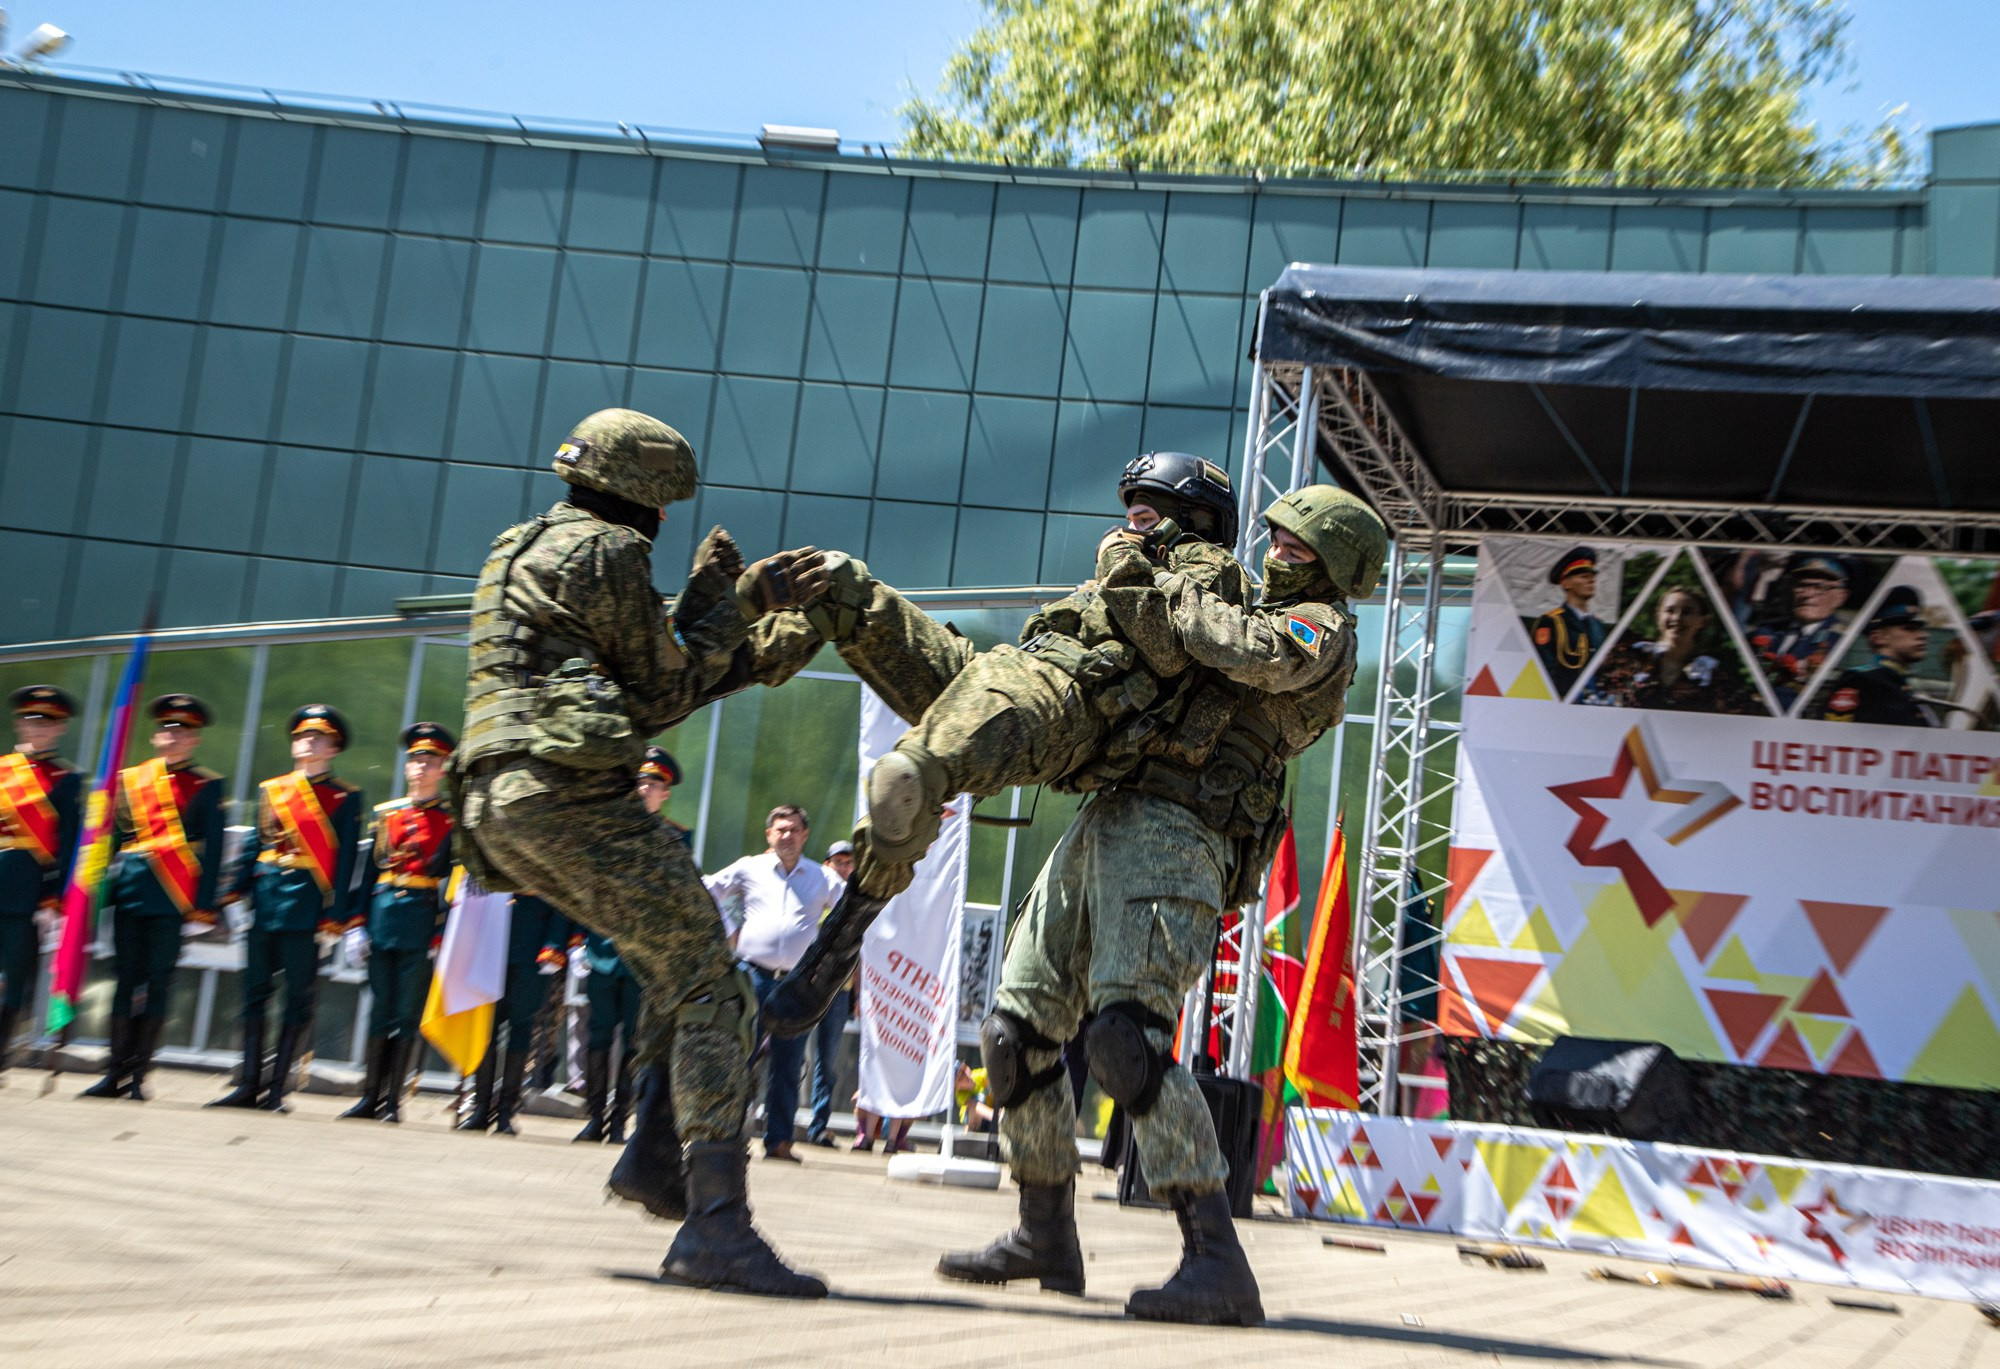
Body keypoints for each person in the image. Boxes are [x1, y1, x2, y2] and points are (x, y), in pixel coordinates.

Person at [923, 484, 1381, 1326]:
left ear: (1335, 565)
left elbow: (1241, 650)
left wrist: (1161, 582)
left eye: (1299, 545)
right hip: (1110, 815)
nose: (1277, 549)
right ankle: (1044, 1232)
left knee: (1122, 1041)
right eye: (1275, 536)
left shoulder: (1322, 630)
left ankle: (1216, 1262)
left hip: (1181, 833)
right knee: (1013, 1035)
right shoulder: (1222, 584)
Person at [453, 407, 834, 1297]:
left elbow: (626, 665)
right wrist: (742, 608)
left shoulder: (524, 543)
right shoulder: (611, 552)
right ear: (651, 502)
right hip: (569, 798)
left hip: (497, 805)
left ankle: (656, 1161)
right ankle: (714, 1225)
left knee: (679, 958)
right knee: (715, 988)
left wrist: (723, 626)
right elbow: (659, 690)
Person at [757, 451, 1249, 1036]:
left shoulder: (1209, 574)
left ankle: (844, 934)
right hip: (1003, 672)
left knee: (903, 780)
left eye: (1143, 517)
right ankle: (709, 664)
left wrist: (1123, 558)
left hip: (1060, 704)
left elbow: (1167, 649)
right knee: (834, 582)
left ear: (1189, 520)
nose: (1124, 530)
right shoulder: (1134, 561)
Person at [210, 705, 363, 1112]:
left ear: (333, 748)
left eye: (318, 738)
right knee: (252, 997)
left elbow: (345, 861)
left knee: (297, 1000)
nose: (308, 742)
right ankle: (247, 1084)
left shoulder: (345, 797)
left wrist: (335, 918)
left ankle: (277, 1089)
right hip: (264, 904)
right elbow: (253, 846)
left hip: (306, 911)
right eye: (302, 736)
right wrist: (232, 896)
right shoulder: (272, 789)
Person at [81, 694, 226, 1100]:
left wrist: (205, 905)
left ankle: (139, 1077)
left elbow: (211, 852)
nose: (174, 736)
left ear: (195, 739)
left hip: (173, 896)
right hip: (130, 892)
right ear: (155, 735)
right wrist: (90, 894)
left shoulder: (208, 785)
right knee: (124, 981)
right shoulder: (130, 779)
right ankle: (113, 1072)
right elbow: (109, 841)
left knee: (159, 983)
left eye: (183, 731)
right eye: (167, 728)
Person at [703, 805, 843, 1162]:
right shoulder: (750, 867)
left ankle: (779, 1141)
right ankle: (728, 1134)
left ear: (805, 835)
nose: (787, 836)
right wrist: (729, 929)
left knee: (788, 1061)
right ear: (769, 835)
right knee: (741, 1057)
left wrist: (827, 953)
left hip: (797, 984)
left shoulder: (821, 877)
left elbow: (853, 908)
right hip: (753, 976)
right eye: (780, 829)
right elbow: (707, 889)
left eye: (794, 829)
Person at [340, 722, 455, 1124]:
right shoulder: (386, 815)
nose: (421, 767)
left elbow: (449, 885)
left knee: (406, 1014)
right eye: (416, 760)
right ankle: (368, 1096)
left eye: (430, 761)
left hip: (421, 921)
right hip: (382, 917)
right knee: (378, 1011)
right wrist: (356, 923)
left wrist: (441, 933)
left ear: (443, 769)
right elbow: (366, 875)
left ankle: (393, 1101)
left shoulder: (450, 821)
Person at [574, 746, 682, 1145]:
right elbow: (584, 890)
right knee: (598, 1036)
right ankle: (593, 1117)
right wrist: (577, 941)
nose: (644, 789)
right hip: (603, 953)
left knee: (636, 1044)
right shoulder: (605, 832)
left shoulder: (675, 840)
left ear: (664, 794)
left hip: (643, 960)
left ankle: (620, 1120)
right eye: (640, 781)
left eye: (654, 783)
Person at [1, 686, 82, 1073]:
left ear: (60, 729)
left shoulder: (66, 779)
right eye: (31, 719)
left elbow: (67, 845)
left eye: (47, 722)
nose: (38, 727)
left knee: (12, 977)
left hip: (25, 892)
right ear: (19, 722)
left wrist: (54, 896)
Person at [457, 891, 567, 1133]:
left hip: (533, 947)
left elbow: (560, 894)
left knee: (521, 1029)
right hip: (491, 947)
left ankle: (507, 1111)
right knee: (486, 1030)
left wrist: (554, 944)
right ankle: (480, 1108)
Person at [1580, 588, 1759, 715]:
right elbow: (1589, 693)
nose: (1676, 618)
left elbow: (1745, 715)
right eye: (1670, 611)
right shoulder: (1628, 657)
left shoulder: (1713, 676)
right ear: (1659, 616)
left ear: (1702, 621)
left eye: (1687, 612)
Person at [1743, 556, 1852, 711]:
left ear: (1841, 597)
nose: (1808, 594)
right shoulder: (1767, 631)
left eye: (1819, 587)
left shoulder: (1845, 642)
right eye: (1801, 586)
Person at [1823, 586, 1939, 728]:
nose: (1923, 635)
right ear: (1879, 637)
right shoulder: (1861, 681)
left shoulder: (1902, 685)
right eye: (1909, 628)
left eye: (1921, 629)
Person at [805, 839, 855, 1148]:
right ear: (827, 865)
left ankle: (819, 1126)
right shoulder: (815, 895)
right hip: (808, 986)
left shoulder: (855, 903)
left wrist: (859, 994)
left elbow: (860, 953)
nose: (844, 868)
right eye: (838, 861)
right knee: (790, 1054)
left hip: (840, 990)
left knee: (828, 1061)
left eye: (849, 863)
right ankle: (772, 1117)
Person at [1530, 546, 1605, 698]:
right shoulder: (1551, 622)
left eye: (1592, 577)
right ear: (1566, 583)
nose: (1591, 581)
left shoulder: (1597, 625)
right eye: (1584, 576)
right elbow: (1544, 668)